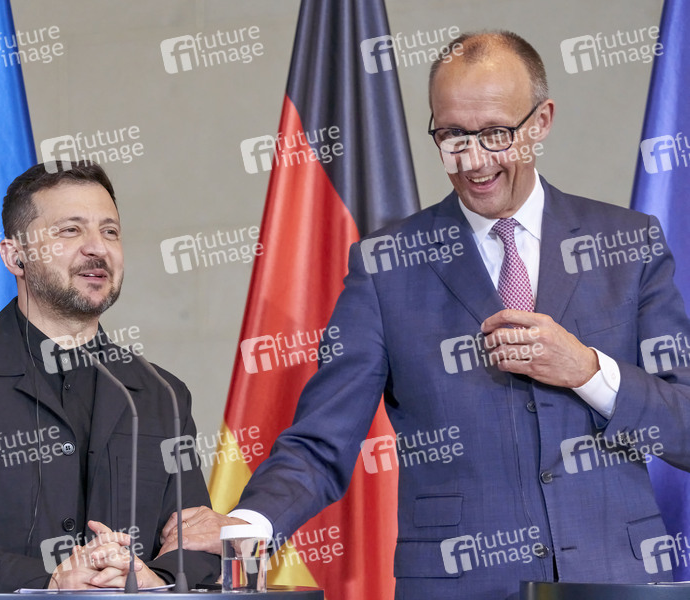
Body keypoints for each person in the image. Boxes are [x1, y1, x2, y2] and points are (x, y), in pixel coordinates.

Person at [159, 31, 690, 599]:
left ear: (542, 121)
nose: (474, 161)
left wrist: (587, 370)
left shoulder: (627, 244)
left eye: (495, 134)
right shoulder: (385, 266)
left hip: (612, 579)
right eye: (452, 135)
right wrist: (248, 523)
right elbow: (322, 437)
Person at [0, 161, 220, 591]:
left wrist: (154, 580)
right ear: (14, 256)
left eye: (110, 231)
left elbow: (196, 534)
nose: (97, 248)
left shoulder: (160, 393)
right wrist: (46, 583)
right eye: (70, 230)